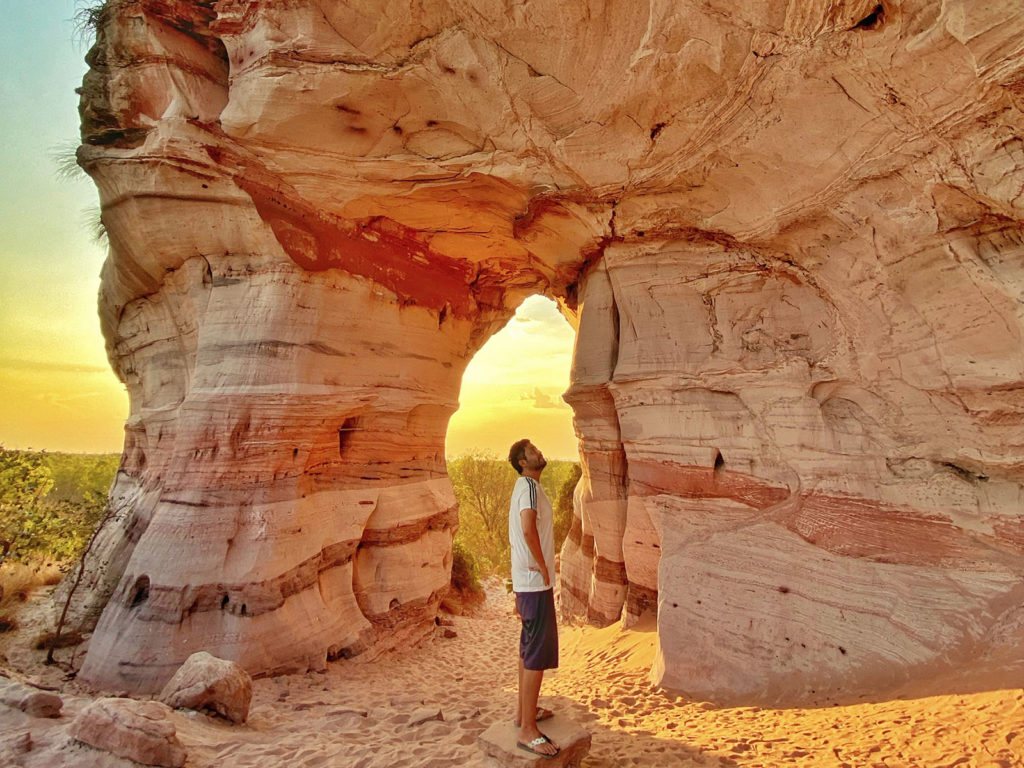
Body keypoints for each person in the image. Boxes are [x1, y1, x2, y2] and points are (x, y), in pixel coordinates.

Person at [507, 438, 560, 758]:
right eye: (532, 452)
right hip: (535, 582)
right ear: (523, 463)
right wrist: (542, 567)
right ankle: (528, 729)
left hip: (527, 581)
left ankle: (522, 713)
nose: (539, 452)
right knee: (537, 653)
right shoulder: (527, 485)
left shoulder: (523, 486)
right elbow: (527, 529)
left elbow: (519, 533)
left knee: (528, 647)